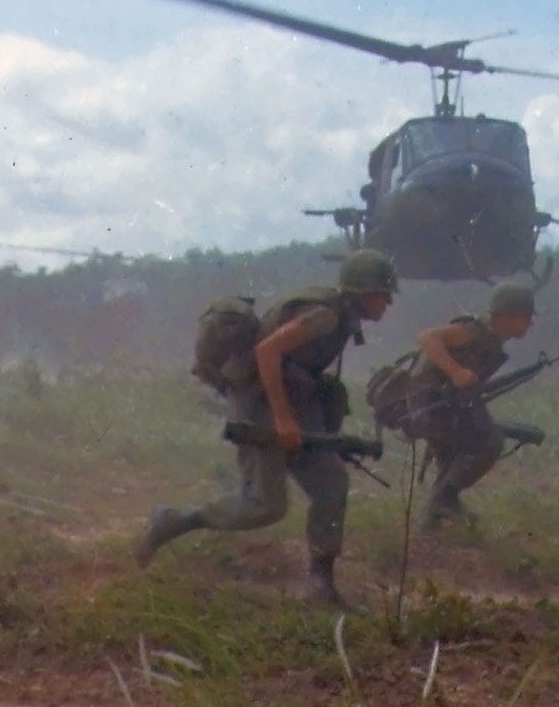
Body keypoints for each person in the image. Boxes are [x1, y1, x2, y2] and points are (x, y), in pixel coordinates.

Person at [134, 249, 398, 610]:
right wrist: (284, 419)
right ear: (365, 292)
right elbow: (267, 352)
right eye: (385, 294)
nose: (389, 302)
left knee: (331, 484)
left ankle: (321, 585)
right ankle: (172, 521)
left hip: (288, 404)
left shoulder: (337, 315)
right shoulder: (325, 316)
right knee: (264, 506)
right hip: (262, 405)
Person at [410, 281, 536, 527]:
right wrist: (456, 372)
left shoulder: (491, 339)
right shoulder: (474, 331)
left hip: (442, 405)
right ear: (508, 316)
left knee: (452, 461)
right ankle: (442, 502)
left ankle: (430, 522)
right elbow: (427, 337)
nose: (530, 323)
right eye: (527, 316)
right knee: (490, 442)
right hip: (429, 404)